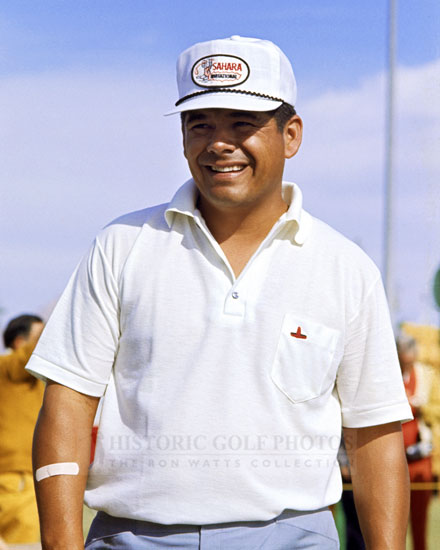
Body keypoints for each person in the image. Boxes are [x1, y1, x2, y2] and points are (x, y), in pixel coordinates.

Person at [26, 36, 412, 550]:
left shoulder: (345, 267)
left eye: (242, 124)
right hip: (132, 538)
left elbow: (374, 436)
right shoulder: (121, 246)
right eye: (199, 124)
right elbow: (67, 404)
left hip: (295, 536)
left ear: (291, 135)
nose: (218, 143)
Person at [0, 314, 44, 545]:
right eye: (40, 337)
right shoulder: (8, 366)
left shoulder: (27, 377)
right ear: (19, 342)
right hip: (15, 479)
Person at [397, 334, 433, 550]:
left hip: (419, 455)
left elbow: (434, 409)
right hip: (395, 455)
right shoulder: (390, 374)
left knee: (420, 517)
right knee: (396, 518)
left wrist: (419, 405)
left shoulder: (425, 375)